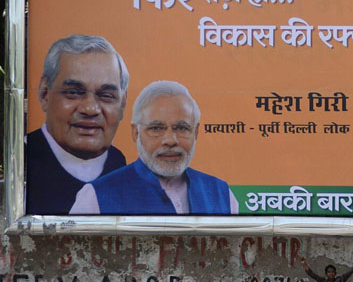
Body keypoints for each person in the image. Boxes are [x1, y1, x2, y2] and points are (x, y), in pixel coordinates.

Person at [71, 81, 237, 214]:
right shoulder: (96, 198)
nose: (170, 140)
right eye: (156, 128)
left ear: (196, 133)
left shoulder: (222, 195)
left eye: (181, 128)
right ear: (136, 133)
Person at [26, 34, 130, 215]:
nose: (90, 109)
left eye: (106, 95)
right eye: (74, 92)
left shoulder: (119, 163)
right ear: (44, 94)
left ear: (122, 104)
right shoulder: (21, 162)